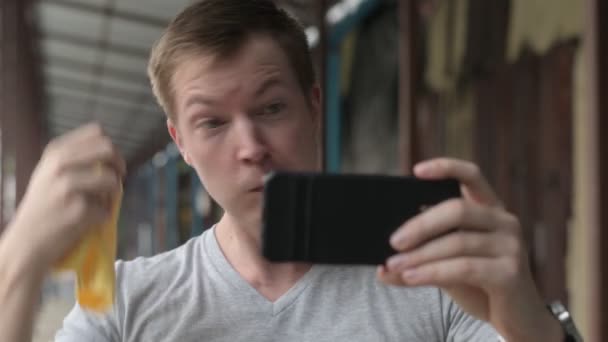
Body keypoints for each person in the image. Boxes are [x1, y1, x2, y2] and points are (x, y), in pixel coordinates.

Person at [0, 0, 568, 341]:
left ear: (314, 106)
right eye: (213, 123)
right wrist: (17, 263)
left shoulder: (434, 279)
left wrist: (526, 319)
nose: (252, 147)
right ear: (181, 144)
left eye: (272, 108)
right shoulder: (126, 302)